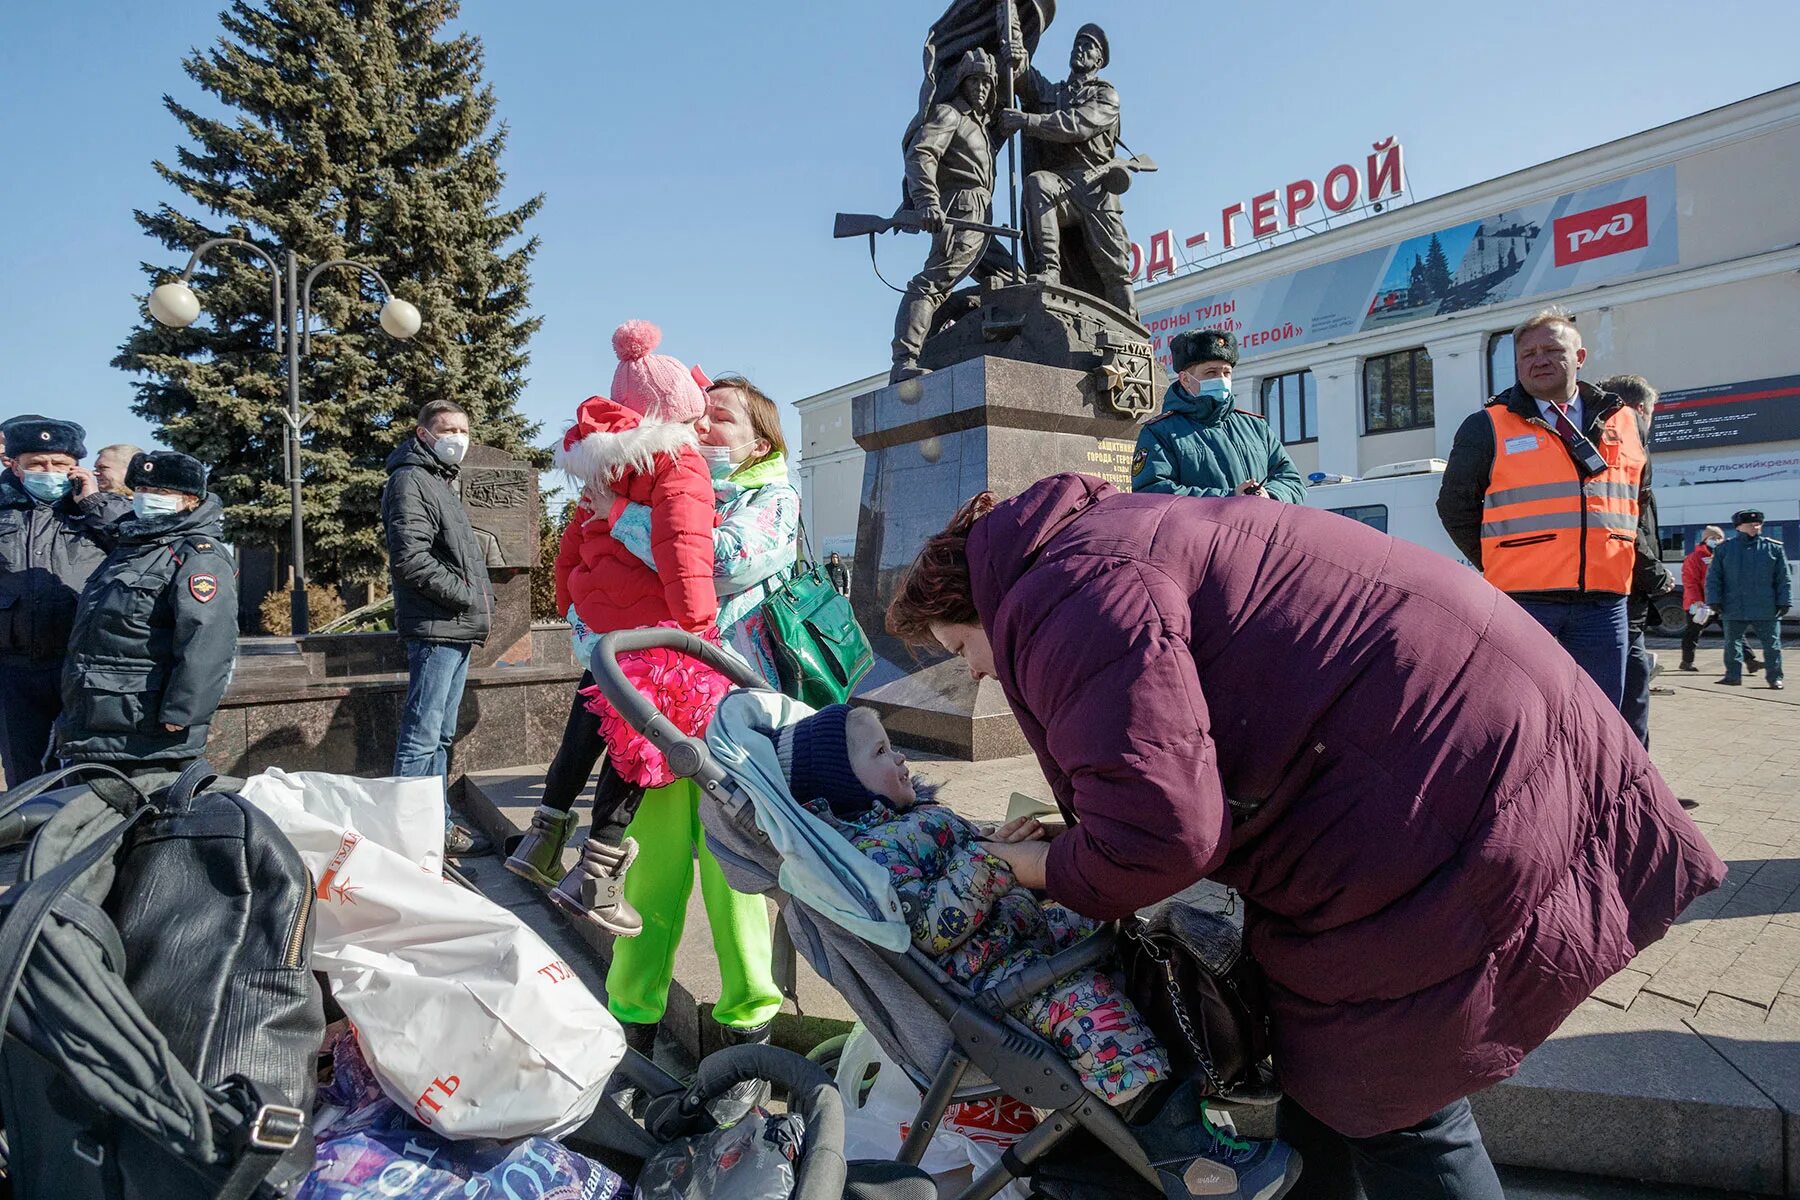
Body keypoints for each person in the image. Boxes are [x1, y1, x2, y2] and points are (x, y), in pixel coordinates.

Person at [887, 473, 1723, 1200]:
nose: (975, 672)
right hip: (1461, 750)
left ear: (974, 602)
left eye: (960, 646)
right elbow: (1162, 756)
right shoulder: (1106, 539)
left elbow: (1162, 838)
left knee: (1396, 1096)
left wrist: (1038, 865)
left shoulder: (1057, 595)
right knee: (1339, 1075)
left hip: (1436, 789)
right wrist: (1083, 826)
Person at [545, 320, 781, 1105]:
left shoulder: (767, 499)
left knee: (736, 891)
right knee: (644, 892)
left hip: (735, 730)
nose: (705, 426)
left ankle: (750, 1053)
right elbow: (592, 595)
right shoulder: (652, 479)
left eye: (725, 419)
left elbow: (717, 560)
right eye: (700, 413)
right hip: (653, 724)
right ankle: (633, 1041)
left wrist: (616, 509)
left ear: (757, 441)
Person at [1437, 308, 1650, 709]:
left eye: (1552, 349)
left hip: (1604, 604)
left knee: (1601, 715)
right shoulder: (1486, 425)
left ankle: (1589, 776)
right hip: (1522, 601)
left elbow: (1641, 503)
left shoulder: (1624, 422)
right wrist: (1499, 559)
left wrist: (1643, 571)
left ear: (1580, 357)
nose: (1539, 360)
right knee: (1520, 711)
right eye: (1527, 354)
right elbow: (1454, 507)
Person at [55, 451, 237, 776]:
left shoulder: (196, 556)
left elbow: (208, 640)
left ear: (190, 500)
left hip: (148, 729)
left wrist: (182, 712)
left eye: (161, 493)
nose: (147, 499)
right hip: (103, 719)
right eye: (141, 490)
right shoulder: (132, 548)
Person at [381, 398, 492, 856]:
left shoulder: (437, 481)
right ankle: (406, 836)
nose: (458, 439)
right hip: (436, 628)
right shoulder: (411, 481)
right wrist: (467, 593)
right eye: (448, 429)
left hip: (454, 628)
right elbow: (412, 559)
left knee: (440, 737)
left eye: (464, 430)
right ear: (423, 433)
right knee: (421, 736)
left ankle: (437, 827)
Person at [0, 417, 130, 786]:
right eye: (38, 464)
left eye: (59, 464)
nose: (49, 472)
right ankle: (31, 842)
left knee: (86, 770)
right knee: (25, 773)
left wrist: (93, 502)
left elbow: (138, 545)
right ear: (14, 464)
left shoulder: (94, 507)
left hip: (80, 662)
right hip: (13, 667)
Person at [999, 23, 1136, 317]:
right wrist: (1017, 54)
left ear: (1099, 60)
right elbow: (1027, 81)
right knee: (1038, 183)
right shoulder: (1055, 93)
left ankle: (1132, 331)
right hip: (1061, 184)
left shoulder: (1105, 96)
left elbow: (1076, 125)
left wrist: (1027, 121)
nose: (1080, 48)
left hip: (1096, 188)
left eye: (1089, 46)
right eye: (1077, 43)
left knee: (1114, 269)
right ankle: (1049, 270)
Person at [891, 49, 1001, 383]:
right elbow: (921, 153)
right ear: (962, 82)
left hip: (983, 214)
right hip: (962, 209)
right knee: (933, 281)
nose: (981, 88)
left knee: (1012, 283)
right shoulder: (949, 114)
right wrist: (926, 201)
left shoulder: (979, 126)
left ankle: (946, 322)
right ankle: (905, 359)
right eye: (975, 80)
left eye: (987, 82)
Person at [1131, 329, 1306, 502]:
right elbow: (1151, 492)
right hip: (1204, 530)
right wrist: (1228, 498)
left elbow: (1292, 481)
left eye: (1226, 373)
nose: (1221, 379)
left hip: (1259, 527)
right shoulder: (1160, 432)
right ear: (1185, 379)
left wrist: (1270, 494)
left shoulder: (1256, 427)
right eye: (1211, 373)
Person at [1597, 374, 1676, 747]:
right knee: (1630, 705)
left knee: (1629, 701)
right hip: (1619, 601)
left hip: (1620, 601)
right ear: (1640, 409)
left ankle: (1637, 787)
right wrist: (1659, 577)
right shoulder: (1621, 450)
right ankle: (1634, 792)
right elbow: (1625, 530)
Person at [1707, 508, 1788, 690]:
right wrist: (1714, 600)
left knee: (1772, 644)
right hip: (1734, 605)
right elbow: (1714, 578)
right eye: (1750, 524)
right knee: (1731, 643)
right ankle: (1732, 675)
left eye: (1758, 524)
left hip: (1766, 606)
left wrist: (1785, 601)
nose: (1755, 527)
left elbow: (1783, 578)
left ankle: (1775, 678)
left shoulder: (1773, 548)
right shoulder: (1725, 549)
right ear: (1738, 527)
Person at [1678, 526, 1762, 674]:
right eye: (1714, 538)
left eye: (1720, 538)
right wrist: (1696, 600)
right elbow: (1690, 581)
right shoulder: (1695, 558)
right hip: (1700, 605)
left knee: (1735, 632)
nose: (1717, 541)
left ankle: (1751, 661)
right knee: (1693, 633)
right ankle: (1687, 661)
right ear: (1706, 539)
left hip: (1721, 603)